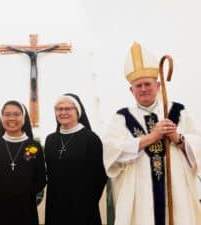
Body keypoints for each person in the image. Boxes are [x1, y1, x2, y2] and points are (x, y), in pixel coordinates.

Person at [103, 42, 201, 225]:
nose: (143, 89)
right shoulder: (122, 117)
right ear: (131, 90)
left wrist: (178, 138)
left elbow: (198, 146)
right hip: (139, 195)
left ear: (158, 86)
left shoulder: (178, 112)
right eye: (138, 85)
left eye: (147, 84)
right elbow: (112, 153)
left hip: (176, 191)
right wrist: (151, 137)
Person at [44, 93, 108, 225]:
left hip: (83, 205)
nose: (63, 112)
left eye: (68, 108)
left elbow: (100, 175)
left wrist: (88, 199)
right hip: (55, 204)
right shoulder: (50, 140)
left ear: (78, 111)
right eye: (59, 109)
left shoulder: (91, 138)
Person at [0, 100, 46, 225]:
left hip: (26, 209)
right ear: (2, 118)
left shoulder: (34, 146)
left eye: (16, 114)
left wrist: (24, 194)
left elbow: (41, 179)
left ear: (24, 118)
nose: (12, 118)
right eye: (7, 114)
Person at [6, 34, 59, 101]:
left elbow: (47, 49)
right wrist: (10, 47)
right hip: (32, 68)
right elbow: (19, 50)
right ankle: (33, 94)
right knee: (33, 79)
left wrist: (54, 46)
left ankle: (34, 93)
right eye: (32, 39)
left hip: (34, 68)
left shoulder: (37, 51)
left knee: (34, 79)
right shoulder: (28, 52)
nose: (33, 41)